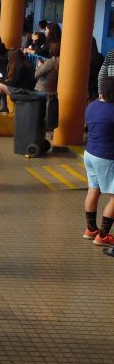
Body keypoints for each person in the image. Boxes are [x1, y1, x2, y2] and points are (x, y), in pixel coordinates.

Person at [83, 76, 114, 249]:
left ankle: (91, 229)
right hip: (106, 157)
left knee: (93, 190)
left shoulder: (92, 106)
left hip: (90, 154)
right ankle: (103, 236)